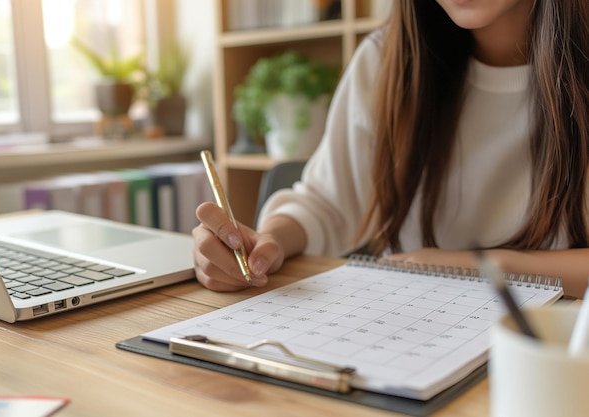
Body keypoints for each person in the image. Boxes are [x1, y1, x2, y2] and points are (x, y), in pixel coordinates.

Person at [193, 0, 589, 299]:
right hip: (419, 332)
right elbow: (328, 203)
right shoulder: (389, 62)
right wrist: (266, 244)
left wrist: (483, 267)